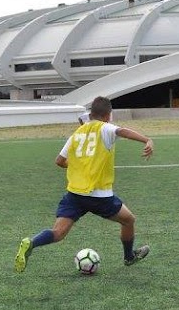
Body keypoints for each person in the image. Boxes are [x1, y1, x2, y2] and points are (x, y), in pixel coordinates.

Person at [15, 96, 154, 272]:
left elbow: (59, 161)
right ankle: (129, 257)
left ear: (91, 114)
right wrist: (147, 140)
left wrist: (80, 167)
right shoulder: (105, 128)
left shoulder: (77, 134)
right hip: (99, 196)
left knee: (58, 233)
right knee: (128, 221)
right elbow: (122, 131)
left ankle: (31, 243)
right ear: (108, 115)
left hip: (74, 194)